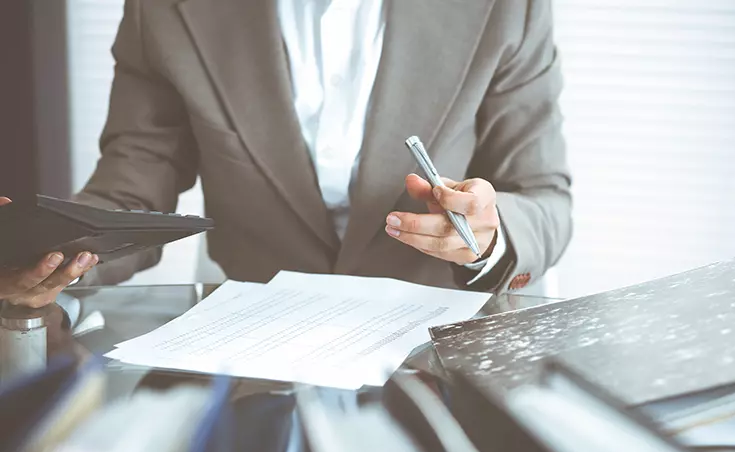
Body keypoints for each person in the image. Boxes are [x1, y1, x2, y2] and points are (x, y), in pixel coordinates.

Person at [0, 0, 572, 310]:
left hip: (438, 353)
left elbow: (543, 197)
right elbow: (130, 193)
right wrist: (40, 254)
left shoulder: (505, 7)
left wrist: (488, 236)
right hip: (255, 360)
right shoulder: (168, 10)